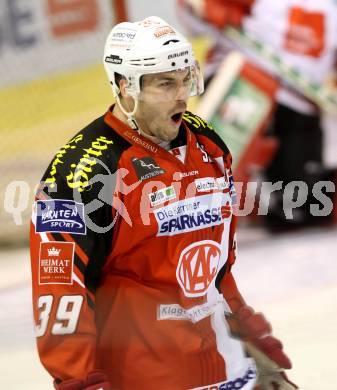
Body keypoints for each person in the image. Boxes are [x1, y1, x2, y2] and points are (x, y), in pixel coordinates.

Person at [30, 16, 297, 390]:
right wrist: (81, 383)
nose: (182, 95)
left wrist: (252, 340)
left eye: (185, 78)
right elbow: (60, 296)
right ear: (124, 86)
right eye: (165, 83)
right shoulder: (81, 173)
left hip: (230, 370)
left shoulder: (208, 145)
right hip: (145, 379)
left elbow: (218, 269)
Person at [179, 0, 337, 230]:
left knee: (300, 207)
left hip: (299, 101)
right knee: (227, 146)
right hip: (244, 81)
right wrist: (200, 8)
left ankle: (262, 199)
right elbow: (195, 18)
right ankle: (201, 196)